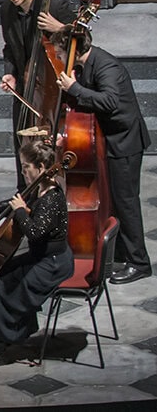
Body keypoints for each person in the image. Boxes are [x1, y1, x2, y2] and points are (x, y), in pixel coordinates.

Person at [57, 26, 152, 284]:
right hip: (109, 140)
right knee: (115, 201)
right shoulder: (84, 66)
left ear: (74, 50)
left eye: (60, 52)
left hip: (125, 143)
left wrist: (74, 88)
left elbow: (109, 101)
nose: (59, 56)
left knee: (126, 202)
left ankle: (139, 263)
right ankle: (120, 252)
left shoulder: (106, 66)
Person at [0, 138, 72, 368]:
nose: (23, 172)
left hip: (52, 263)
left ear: (41, 168)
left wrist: (20, 213)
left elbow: (34, 233)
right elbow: (19, 199)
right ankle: (4, 329)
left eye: (26, 167)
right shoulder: (39, 188)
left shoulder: (52, 198)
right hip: (41, 257)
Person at [0, 0, 67, 189]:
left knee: (51, 145)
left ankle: (54, 193)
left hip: (53, 89)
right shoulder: (6, 10)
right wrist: (10, 74)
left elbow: (83, 39)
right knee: (22, 141)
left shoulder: (54, 5)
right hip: (26, 89)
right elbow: (9, 48)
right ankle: (25, 191)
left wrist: (59, 28)